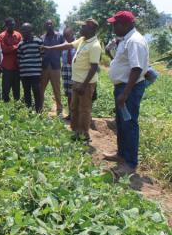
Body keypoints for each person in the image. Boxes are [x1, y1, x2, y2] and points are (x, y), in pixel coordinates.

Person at [103, 11, 149, 175]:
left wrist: (125, 93)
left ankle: (130, 163)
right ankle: (121, 154)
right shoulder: (125, 39)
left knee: (129, 125)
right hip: (122, 87)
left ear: (126, 24)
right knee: (121, 123)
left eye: (116, 24)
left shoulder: (135, 41)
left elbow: (136, 68)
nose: (114, 27)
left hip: (129, 88)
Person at [43, 19, 101, 141]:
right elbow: (68, 45)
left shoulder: (95, 45)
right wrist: (49, 48)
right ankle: (75, 130)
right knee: (74, 107)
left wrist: (84, 85)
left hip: (85, 83)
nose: (80, 29)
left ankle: (84, 134)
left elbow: (94, 67)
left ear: (90, 29)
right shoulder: (82, 40)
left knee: (84, 109)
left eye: (83, 27)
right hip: (76, 80)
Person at [40, 19, 64, 115]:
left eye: (50, 24)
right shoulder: (42, 37)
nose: (49, 25)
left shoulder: (60, 36)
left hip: (56, 66)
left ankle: (59, 109)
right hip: (44, 66)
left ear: (53, 25)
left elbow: (64, 48)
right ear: (45, 26)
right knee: (41, 88)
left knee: (57, 88)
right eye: (47, 24)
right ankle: (40, 108)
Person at [17, 23, 43, 113]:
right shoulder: (20, 44)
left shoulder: (38, 42)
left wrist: (41, 70)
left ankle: (38, 111)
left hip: (36, 73)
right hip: (24, 73)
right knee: (26, 92)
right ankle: (28, 110)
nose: (23, 32)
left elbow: (43, 55)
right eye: (23, 30)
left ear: (31, 31)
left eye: (26, 30)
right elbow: (19, 59)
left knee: (36, 91)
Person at [0, 18, 22, 102]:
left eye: (13, 24)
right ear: (6, 25)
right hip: (7, 66)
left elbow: (22, 48)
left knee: (16, 87)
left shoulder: (18, 35)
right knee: (6, 87)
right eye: (10, 25)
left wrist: (13, 47)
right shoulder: (2, 35)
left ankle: (17, 104)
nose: (12, 26)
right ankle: (5, 104)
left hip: (17, 66)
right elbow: (4, 49)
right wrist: (17, 46)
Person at [61, 27, 76, 120]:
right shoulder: (64, 45)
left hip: (75, 70)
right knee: (69, 93)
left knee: (75, 92)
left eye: (68, 35)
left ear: (73, 33)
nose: (67, 38)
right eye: (65, 36)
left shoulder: (79, 43)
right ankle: (70, 113)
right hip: (66, 69)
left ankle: (76, 114)